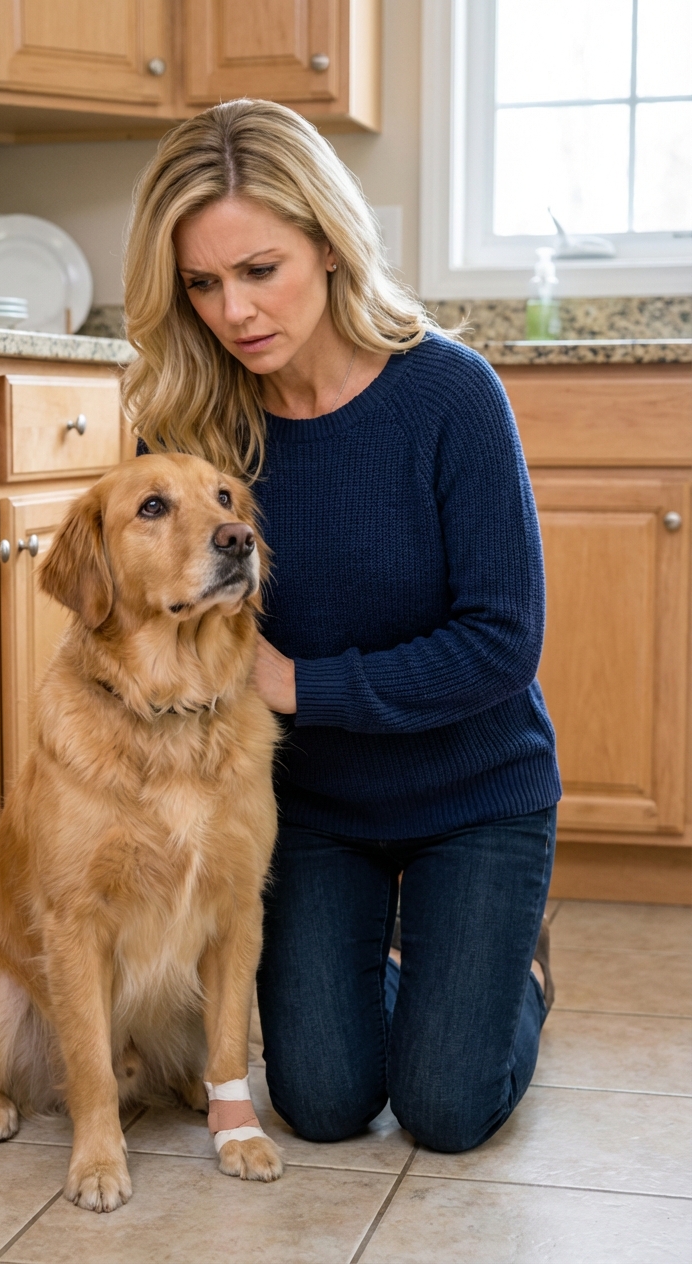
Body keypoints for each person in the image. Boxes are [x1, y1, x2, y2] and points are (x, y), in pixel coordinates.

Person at [122, 98, 561, 1153]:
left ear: (326, 242)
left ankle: (518, 968)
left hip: (474, 792)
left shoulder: (450, 395)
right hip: (306, 804)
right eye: (202, 282)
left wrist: (296, 685)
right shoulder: (189, 426)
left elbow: (504, 640)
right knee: (318, 1103)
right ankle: (427, 966)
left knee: (447, 1108)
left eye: (258, 269)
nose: (233, 310)